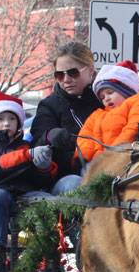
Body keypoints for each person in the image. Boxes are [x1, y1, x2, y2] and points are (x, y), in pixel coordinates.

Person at [0, 90, 57, 272]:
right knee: (0, 195)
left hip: (24, 193)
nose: (6, 123)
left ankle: (52, 261)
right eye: (0, 119)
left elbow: (39, 179)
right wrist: (26, 156)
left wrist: (45, 167)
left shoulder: (25, 145)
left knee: (47, 200)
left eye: (11, 118)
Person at [30, 42, 102, 194]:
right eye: (59, 75)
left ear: (90, 70)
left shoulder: (105, 99)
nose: (66, 79)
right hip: (65, 177)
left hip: (108, 167)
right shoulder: (50, 105)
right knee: (74, 183)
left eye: (73, 73)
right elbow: (38, 141)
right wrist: (49, 136)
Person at [75, 60, 139, 164]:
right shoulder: (97, 115)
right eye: (102, 97)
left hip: (126, 161)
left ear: (125, 91)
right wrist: (82, 157)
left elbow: (133, 128)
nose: (106, 98)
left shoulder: (138, 103)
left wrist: (111, 155)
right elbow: (86, 138)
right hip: (97, 164)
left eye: (110, 92)